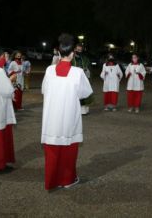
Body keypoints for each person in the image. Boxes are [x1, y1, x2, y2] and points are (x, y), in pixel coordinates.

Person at [41, 34, 93, 190]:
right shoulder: (78, 72)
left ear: (59, 53)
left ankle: (51, 181)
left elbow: (44, 90)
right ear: (72, 54)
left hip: (51, 118)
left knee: (52, 151)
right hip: (69, 116)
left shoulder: (49, 70)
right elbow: (85, 93)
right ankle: (67, 180)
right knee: (68, 150)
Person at [72, 43, 93, 115]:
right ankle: (75, 110)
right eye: (77, 50)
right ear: (74, 49)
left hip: (83, 79)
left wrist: (86, 70)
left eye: (80, 50)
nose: (79, 51)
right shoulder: (71, 58)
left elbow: (89, 68)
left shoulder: (85, 58)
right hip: (74, 80)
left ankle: (84, 110)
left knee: (84, 93)